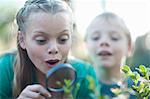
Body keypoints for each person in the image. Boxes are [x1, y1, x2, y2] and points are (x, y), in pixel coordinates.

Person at [0, 0, 97, 98]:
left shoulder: (85, 75)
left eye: (63, 39)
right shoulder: (5, 69)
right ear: (22, 40)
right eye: (41, 40)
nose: (54, 49)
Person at [85, 12, 136, 98]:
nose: (104, 41)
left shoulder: (140, 89)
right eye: (96, 37)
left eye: (114, 38)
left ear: (129, 47)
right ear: (86, 46)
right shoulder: (78, 86)